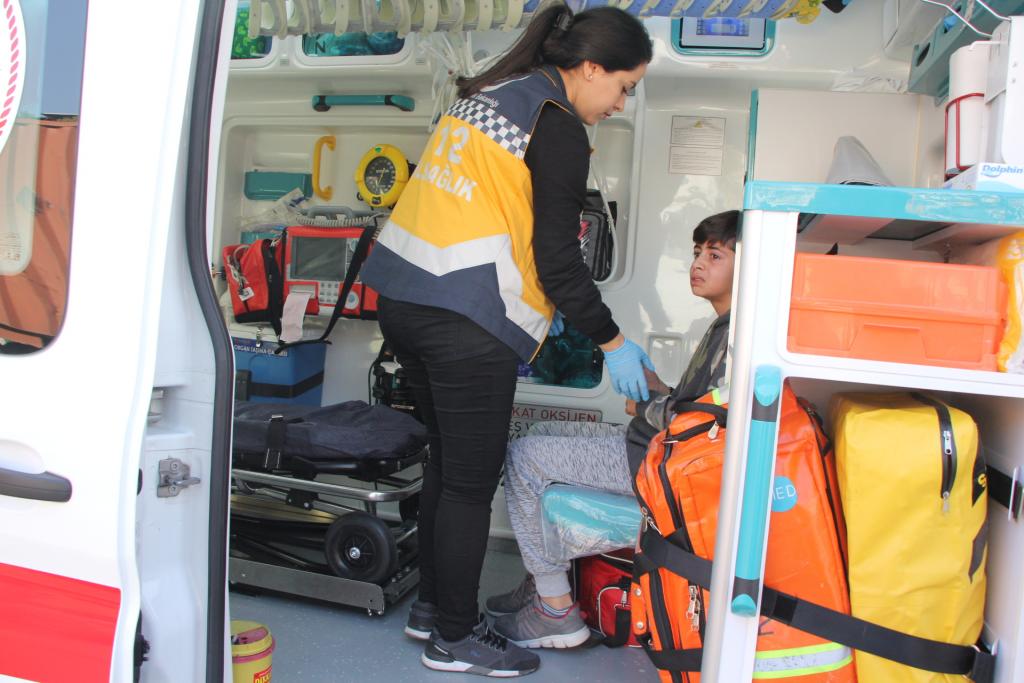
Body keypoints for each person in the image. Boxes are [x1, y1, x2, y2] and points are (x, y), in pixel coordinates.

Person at [358, 3, 654, 677]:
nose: (621, 103)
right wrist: (612, 342)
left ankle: (433, 609)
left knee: (446, 466)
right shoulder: (557, 125)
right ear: (590, 68)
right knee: (469, 484)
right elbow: (559, 262)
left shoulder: (492, 97)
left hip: (403, 300)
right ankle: (454, 638)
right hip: (463, 318)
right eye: (625, 86)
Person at [485, 210, 738, 649]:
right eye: (697, 252)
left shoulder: (737, 339)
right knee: (538, 431)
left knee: (523, 458)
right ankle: (542, 579)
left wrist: (645, 404)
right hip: (652, 448)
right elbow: (699, 408)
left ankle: (554, 608)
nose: (698, 263)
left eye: (714, 255)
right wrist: (661, 389)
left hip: (659, 467)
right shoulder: (723, 327)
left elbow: (702, 428)